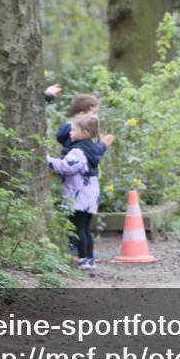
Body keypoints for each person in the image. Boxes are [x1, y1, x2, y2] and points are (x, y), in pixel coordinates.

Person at [46, 115, 103, 270]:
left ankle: (83, 259)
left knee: (78, 228)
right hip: (90, 196)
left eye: (73, 130)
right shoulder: (92, 148)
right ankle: (89, 259)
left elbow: (65, 167)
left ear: (84, 132)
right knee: (85, 228)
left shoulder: (78, 151)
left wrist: (47, 160)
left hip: (79, 196)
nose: (70, 132)